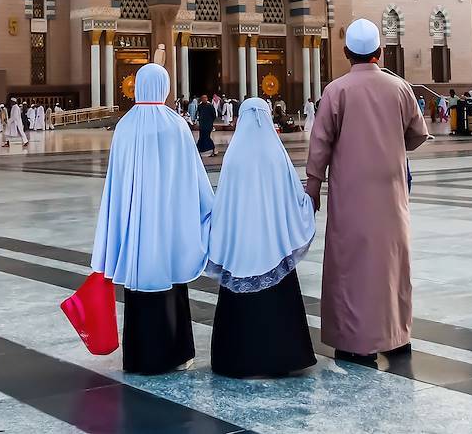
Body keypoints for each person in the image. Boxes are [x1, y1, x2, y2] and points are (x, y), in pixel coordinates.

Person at [304, 18, 429, 362]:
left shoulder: (337, 90)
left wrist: (313, 184)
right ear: (381, 52)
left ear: (346, 52)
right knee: (391, 261)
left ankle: (356, 343)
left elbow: (321, 143)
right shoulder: (399, 87)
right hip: (391, 193)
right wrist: (390, 142)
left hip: (351, 194)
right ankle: (397, 334)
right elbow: (418, 133)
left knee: (353, 263)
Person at [92, 63, 212, 375]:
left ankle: (138, 357)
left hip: (136, 228)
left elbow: (116, 183)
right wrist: (207, 211)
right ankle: (175, 354)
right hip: (170, 227)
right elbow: (194, 179)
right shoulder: (176, 126)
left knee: (138, 292)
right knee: (171, 283)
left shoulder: (126, 126)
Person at [205, 98, 318, 378]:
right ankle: (283, 355)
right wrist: (308, 202)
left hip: (239, 250)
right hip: (274, 250)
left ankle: (235, 358)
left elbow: (222, 206)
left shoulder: (233, 157)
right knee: (279, 298)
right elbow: (296, 201)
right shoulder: (275, 156)